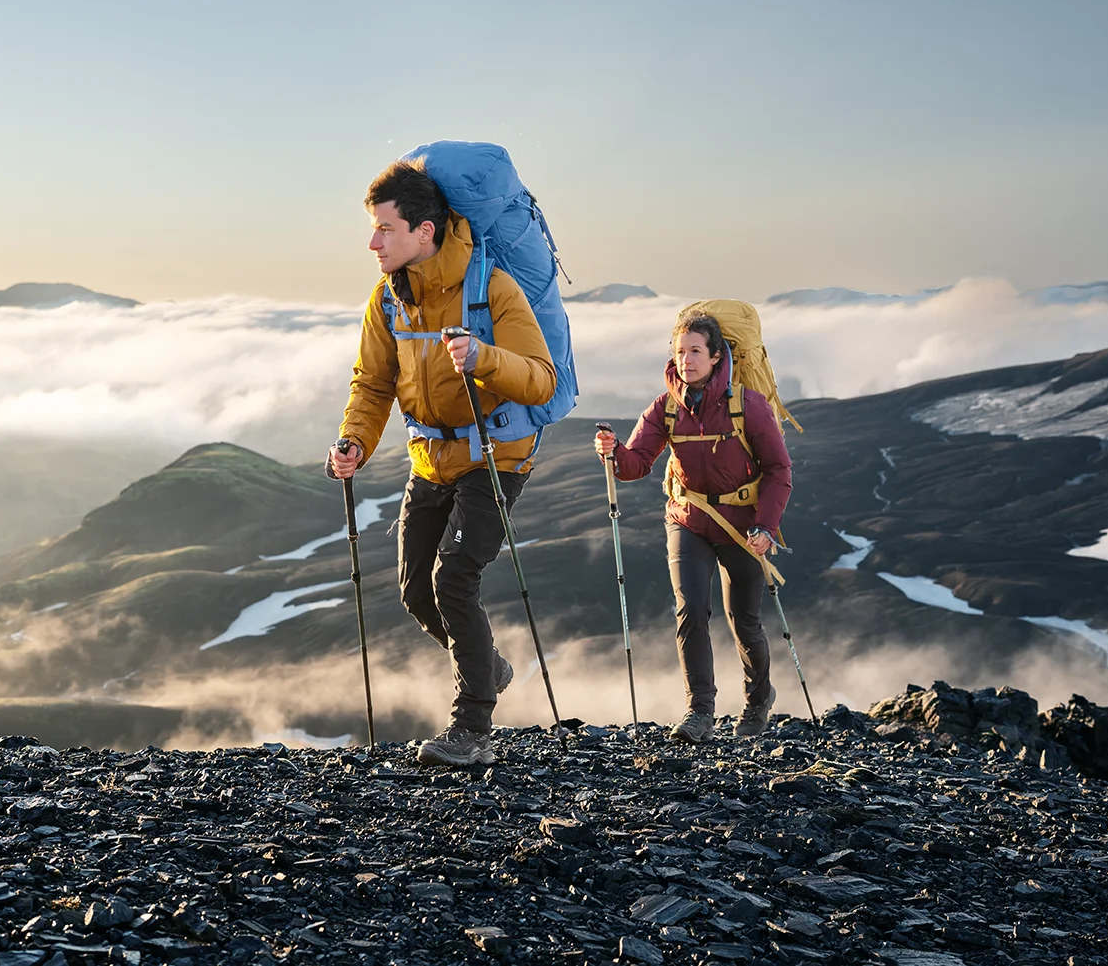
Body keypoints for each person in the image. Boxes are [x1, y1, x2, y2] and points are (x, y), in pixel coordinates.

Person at [329, 159, 556, 767]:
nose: (373, 242)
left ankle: (471, 727)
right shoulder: (387, 299)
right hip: (430, 460)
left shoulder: (492, 290)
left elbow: (540, 380)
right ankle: (490, 667)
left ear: (424, 231)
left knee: (452, 579)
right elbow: (373, 385)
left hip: (495, 456)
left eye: (385, 229)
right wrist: (354, 441)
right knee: (414, 592)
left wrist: (483, 357)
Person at [593, 312, 793, 742]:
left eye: (695, 351)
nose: (685, 360)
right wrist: (612, 452)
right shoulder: (665, 408)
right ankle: (699, 711)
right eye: (679, 352)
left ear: (716, 356)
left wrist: (766, 526)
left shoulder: (747, 405)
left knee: (744, 621)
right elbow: (637, 465)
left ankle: (759, 700)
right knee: (690, 610)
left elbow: (779, 470)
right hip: (688, 521)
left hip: (742, 527)